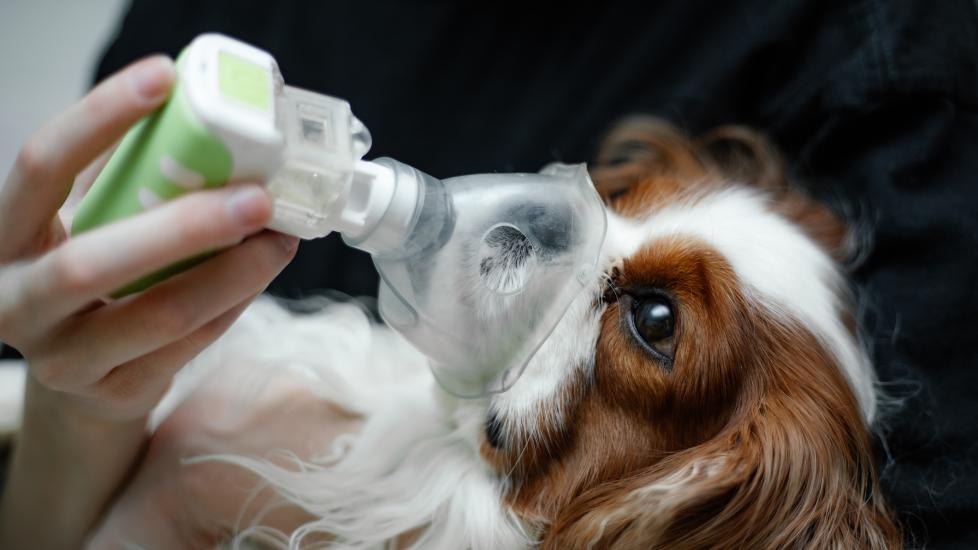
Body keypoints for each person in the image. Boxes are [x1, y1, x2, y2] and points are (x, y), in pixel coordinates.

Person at [2, 0, 977, 546]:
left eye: (655, 323)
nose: (562, 245)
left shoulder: (893, 65)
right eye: (616, 201)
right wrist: (79, 406)